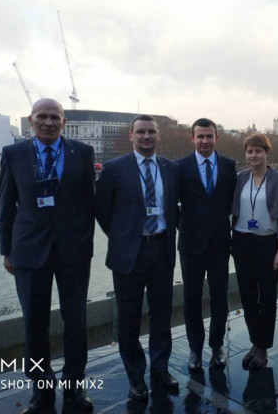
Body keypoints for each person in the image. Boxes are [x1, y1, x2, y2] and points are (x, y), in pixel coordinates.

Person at [0, 98, 95, 413]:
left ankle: (74, 386)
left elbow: (88, 204)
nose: (49, 122)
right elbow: (5, 207)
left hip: (72, 252)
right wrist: (6, 250)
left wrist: (86, 248)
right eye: (42, 116)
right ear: (31, 120)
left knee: (76, 321)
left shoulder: (82, 153)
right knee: (34, 324)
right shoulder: (13, 154)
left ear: (64, 121)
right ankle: (41, 390)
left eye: (55, 117)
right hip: (28, 252)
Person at [95, 114, 181, 401]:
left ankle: (160, 368)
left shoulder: (170, 168)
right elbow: (102, 211)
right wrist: (124, 237)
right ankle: (135, 376)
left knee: (161, 313)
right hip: (129, 252)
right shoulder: (114, 168)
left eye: (151, 132)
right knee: (128, 317)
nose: (146, 137)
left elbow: (174, 208)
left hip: (161, 249)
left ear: (159, 136)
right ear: (131, 136)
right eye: (141, 132)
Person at [177, 118, 237, 371]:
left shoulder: (228, 165)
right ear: (192, 138)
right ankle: (194, 348)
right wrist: (187, 227)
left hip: (220, 242)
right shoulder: (179, 167)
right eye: (200, 136)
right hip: (191, 243)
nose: (204, 141)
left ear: (216, 138)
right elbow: (171, 204)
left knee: (219, 296)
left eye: (209, 136)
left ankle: (217, 345)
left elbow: (234, 202)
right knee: (191, 298)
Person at [231, 133, 278, 369]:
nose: (253, 155)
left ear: (267, 153)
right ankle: (255, 341)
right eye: (249, 151)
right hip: (242, 242)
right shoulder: (240, 178)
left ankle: (263, 347)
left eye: (258, 151)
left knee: (266, 297)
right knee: (246, 296)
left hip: (267, 242)